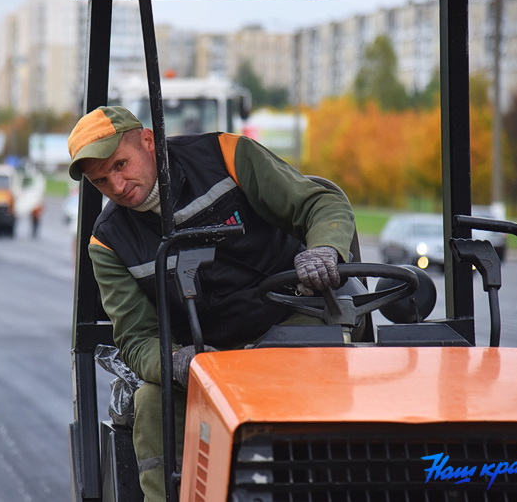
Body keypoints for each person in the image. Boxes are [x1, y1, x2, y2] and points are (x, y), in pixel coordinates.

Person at [67, 106, 355, 501]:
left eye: (121, 164)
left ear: (148, 141)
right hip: (207, 357)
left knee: (317, 374)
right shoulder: (108, 242)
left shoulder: (228, 157)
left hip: (290, 317)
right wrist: (179, 361)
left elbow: (320, 203)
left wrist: (323, 249)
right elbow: (137, 340)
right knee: (152, 400)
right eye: (101, 181)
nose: (117, 185)